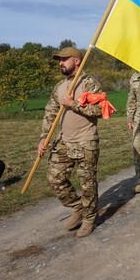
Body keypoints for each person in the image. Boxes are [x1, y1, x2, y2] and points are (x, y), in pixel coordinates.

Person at [37, 47, 104, 238]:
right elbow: (50, 113)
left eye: (64, 59)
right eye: (59, 60)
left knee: (87, 183)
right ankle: (78, 207)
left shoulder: (89, 83)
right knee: (54, 179)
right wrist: (44, 137)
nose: (60, 63)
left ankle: (90, 218)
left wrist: (73, 104)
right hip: (63, 142)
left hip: (85, 141)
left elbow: (101, 110)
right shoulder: (59, 87)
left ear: (76, 60)